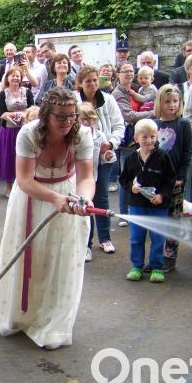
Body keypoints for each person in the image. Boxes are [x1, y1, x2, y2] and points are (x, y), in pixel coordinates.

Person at [0, 87, 95, 350]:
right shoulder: (29, 133)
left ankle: (53, 322)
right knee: (28, 257)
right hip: (32, 197)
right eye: (61, 116)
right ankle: (23, 316)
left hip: (68, 197)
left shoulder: (83, 134)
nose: (68, 122)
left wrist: (83, 199)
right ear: (46, 115)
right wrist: (55, 199)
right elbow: (23, 180)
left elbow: (87, 177)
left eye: (72, 115)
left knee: (62, 258)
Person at [119, 119, 176, 283]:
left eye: (152, 136)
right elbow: (123, 179)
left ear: (157, 136)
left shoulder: (163, 157)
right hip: (137, 206)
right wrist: (131, 187)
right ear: (136, 138)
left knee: (158, 238)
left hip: (158, 206)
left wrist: (162, 195)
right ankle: (136, 266)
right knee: (136, 237)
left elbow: (170, 180)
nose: (149, 140)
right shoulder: (131, 158)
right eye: (144, 137)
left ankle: (157, 267)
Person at [76, 65, 124, 255]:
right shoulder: (74, 99)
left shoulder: (109, 100)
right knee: (84, 199)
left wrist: (111, 144)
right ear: (80, 83)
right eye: (88, 81)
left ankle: (105, 238)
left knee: (101, 196)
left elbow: (119, 126)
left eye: (95, 80)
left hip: (104, 159)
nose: (93, 84)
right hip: (81, 159)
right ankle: (85, 243)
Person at [151, 85, 192, 272]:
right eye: (167, 101)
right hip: (156, 181)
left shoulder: (183, 124)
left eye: (175, 101)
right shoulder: (154, 124)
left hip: (174, 181)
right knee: (156, 218)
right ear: (160, 103)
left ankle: (170, 257)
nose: (172, 105)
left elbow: (186, 153)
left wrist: (181, 177)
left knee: (172, 219)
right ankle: (155, 256)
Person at [113, 61, 154, 222]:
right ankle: (124, 213)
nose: (129, 74)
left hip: (140, 139)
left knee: (140, 175)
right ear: (118, 74)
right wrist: (153, 113)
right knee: (127, 176)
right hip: (128, 140)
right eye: (125, 71)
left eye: (131, 71)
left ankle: (137, 211)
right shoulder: (118, 93)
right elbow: (129, 116)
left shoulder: (136, 89)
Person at [77, 102, 109, 262]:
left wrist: (108, 155)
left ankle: (104, 239)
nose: (86, 122)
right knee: (84, 212)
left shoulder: (100, 136)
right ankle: (86, 246)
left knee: (98, 207)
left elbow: (105, 156)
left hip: (95, 177)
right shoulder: (75, 136)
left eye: (89, 119)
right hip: (79, 180)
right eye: (82, 119)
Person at [0, 67, 33, 198]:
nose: (15, 78)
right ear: (7, 78)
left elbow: (32, 109)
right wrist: (12, 115)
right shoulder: (2, 94)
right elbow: (1, 114)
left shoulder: (27, 91)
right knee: (9, 158)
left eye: (18, 76)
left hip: (25, 129)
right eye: (12, 76)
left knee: (25, 157)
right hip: (9, 131)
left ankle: (25, 185)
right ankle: (9, 187)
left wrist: (22, 115)